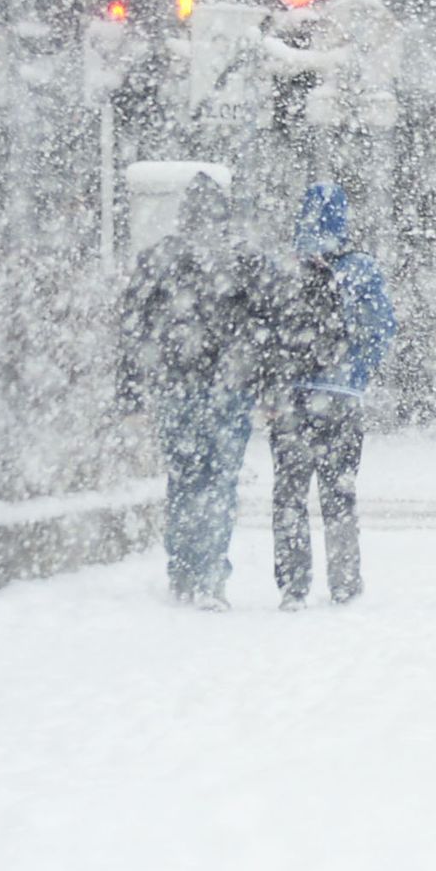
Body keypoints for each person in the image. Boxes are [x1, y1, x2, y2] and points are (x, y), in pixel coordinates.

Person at [114, 173, 270, 608]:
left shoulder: (158, 258)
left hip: (175, 388)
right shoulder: (245, 260)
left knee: (183, 480)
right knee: (220, 482)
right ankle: (210, 577)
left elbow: (133, 328)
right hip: (230, 389)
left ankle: (182, 571)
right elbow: (266, 330)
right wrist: (268, 388)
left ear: (184, 215)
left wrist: (130, 392)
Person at [264, 182, 394, 609]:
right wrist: (356, 372)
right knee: (339, 494)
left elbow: (264, 333)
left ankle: (293, 585)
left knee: (289, 495)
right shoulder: (360, 268)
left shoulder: (284, 267)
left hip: (292, 398)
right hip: (341, 397)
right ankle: (344, 582)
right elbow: (382, 329)